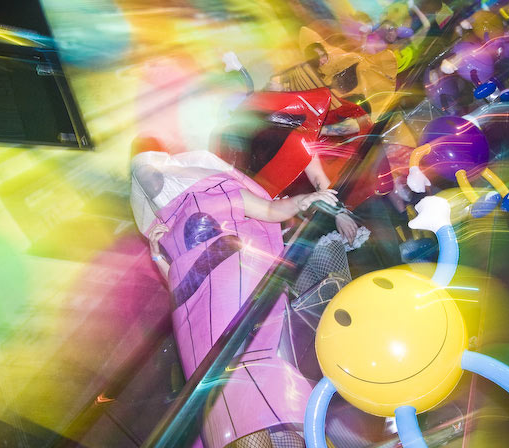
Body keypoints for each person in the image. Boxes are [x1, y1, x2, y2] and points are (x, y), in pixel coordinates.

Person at [131, 149, 350, 448]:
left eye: (149, 171)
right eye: (140, 179)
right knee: (229, 408)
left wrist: (304, 200)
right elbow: (177, 285)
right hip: (199, 328)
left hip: (237, 304)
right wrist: (158, 254)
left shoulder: (217, 192)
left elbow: (270, 210)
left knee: (260, 397)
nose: (147, 181)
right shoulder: (163, 228)